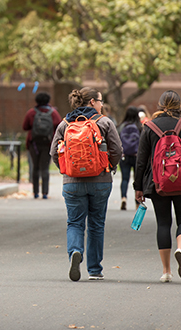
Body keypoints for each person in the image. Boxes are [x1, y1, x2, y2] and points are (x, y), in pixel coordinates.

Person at [50, 87, 122, 281]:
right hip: (100, 181)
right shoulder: (104, 122)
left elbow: (54, 153)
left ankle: (75, 251)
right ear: (92, 102)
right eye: (100, 101)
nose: (102, 104)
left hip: (72, 182)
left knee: (74, 222)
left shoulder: (65, 124)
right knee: (96, 224)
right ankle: (95, 269)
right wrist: (109, 166)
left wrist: (66, 170)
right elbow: (117, 150)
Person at [133, 90, 181, 283]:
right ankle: (180, 249)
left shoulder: (149, 127)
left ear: (160, 104)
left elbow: (141, 160)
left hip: (157, 183)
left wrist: (138, 186)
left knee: (163, 223)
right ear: (179, 105)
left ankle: (166, 272)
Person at [23, 92, 62, 199]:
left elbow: (25, 127)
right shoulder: (53, 113)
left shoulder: (31, 113)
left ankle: (35, 192)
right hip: (48, 144)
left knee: (35, 167)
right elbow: (59, 127)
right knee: (45, 168)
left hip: (33, 144)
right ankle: (45, 193)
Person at [117, 107, 142, 210]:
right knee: (137, 180)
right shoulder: (139, 127)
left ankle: (123, 198)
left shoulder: (121, 126)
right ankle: (137, 202)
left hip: (124, 156)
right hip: (137, 157)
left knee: (125, 179)